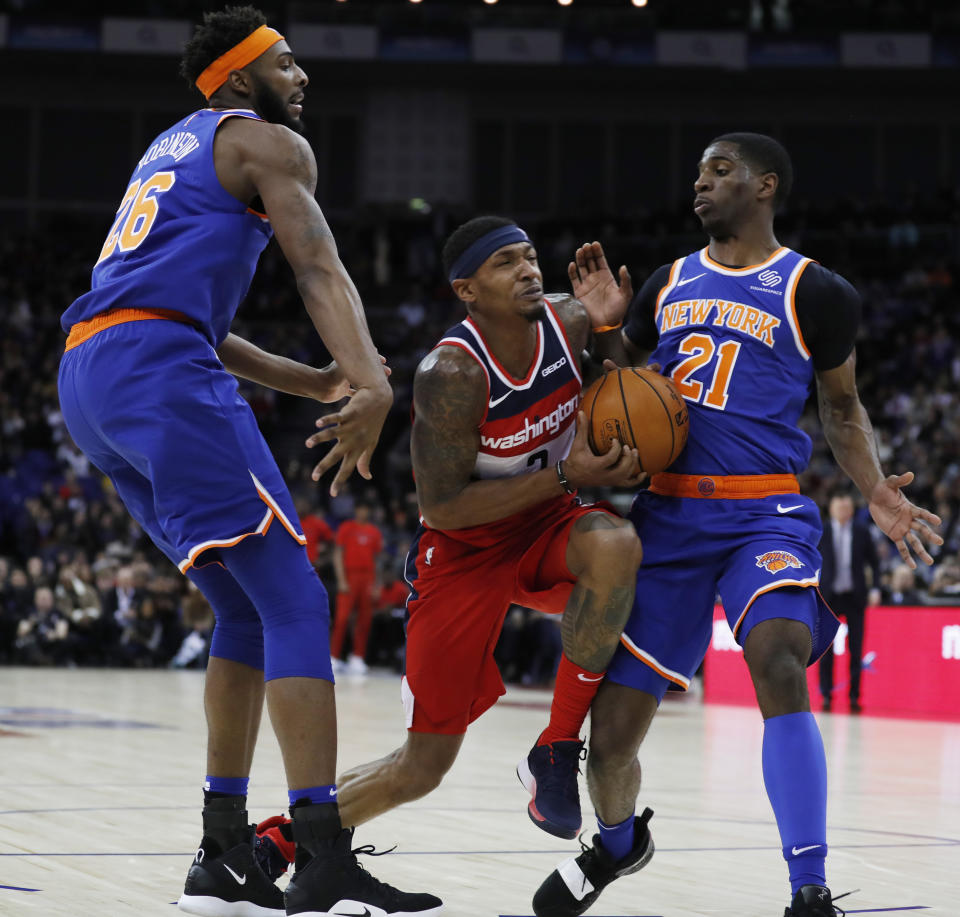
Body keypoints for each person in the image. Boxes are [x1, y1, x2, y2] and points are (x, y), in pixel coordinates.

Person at [56, 6, 439, 917]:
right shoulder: (267, 144)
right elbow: (318, 266)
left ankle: (223, 849)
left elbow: (182, 315)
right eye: (286, 61)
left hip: (93, 376)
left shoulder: (173, 148)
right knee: (299, 597)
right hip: (155, 370)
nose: (303, 77)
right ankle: (320, 853)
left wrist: (310, 382)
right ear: (237, 79)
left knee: (241, 604)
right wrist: (367, 382)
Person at [533, 133, 943, 917]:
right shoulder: (666, 282)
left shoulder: (817, 291)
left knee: (779, 659)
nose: (701, 184)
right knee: (611, 740)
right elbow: (627, 395)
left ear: (766, 185)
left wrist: (878, 492)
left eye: (720, 171)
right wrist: (612, 330)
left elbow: (843, 407)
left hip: (765, 509)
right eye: (697, 173)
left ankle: (809, 887)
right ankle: (617, 844)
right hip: (671, 514)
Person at [327, 215, 645, 845]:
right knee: (422, 767)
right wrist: (564, 473)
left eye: (530, 257)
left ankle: (555, 748)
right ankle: (281, 843)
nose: (528, 269)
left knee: (619, 546)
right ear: (467, 289)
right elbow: (442, 508)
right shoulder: (451, 373)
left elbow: (622, 388)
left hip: (548, 528)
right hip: (464, 550)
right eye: (506, 263)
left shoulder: (570, 321)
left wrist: (610, 329)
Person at [817, 489, 881, 713]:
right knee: (826, 649)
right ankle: (826, 694)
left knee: (856, 648)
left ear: (852, 509)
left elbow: (875, 562)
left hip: (854, 597)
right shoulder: (822, 531)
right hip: (829, 596)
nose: (843, 511)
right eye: (839, 506)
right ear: (832, 509)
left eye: (847, 507)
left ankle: (854, 696)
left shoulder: (862, 531)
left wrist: (875, 588)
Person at [330, 500, 384, 675]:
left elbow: (378, 560)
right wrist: (342, 580)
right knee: (342, 619)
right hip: (350, 576)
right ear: (356, 510)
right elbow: (338, 554)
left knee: (364, 619)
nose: (363, 512)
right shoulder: (346, 528)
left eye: (366, 509)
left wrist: (376, 584)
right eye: (360, 508)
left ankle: (358, 657)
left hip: (367, 578)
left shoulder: (374, 532)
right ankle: (334, 656)